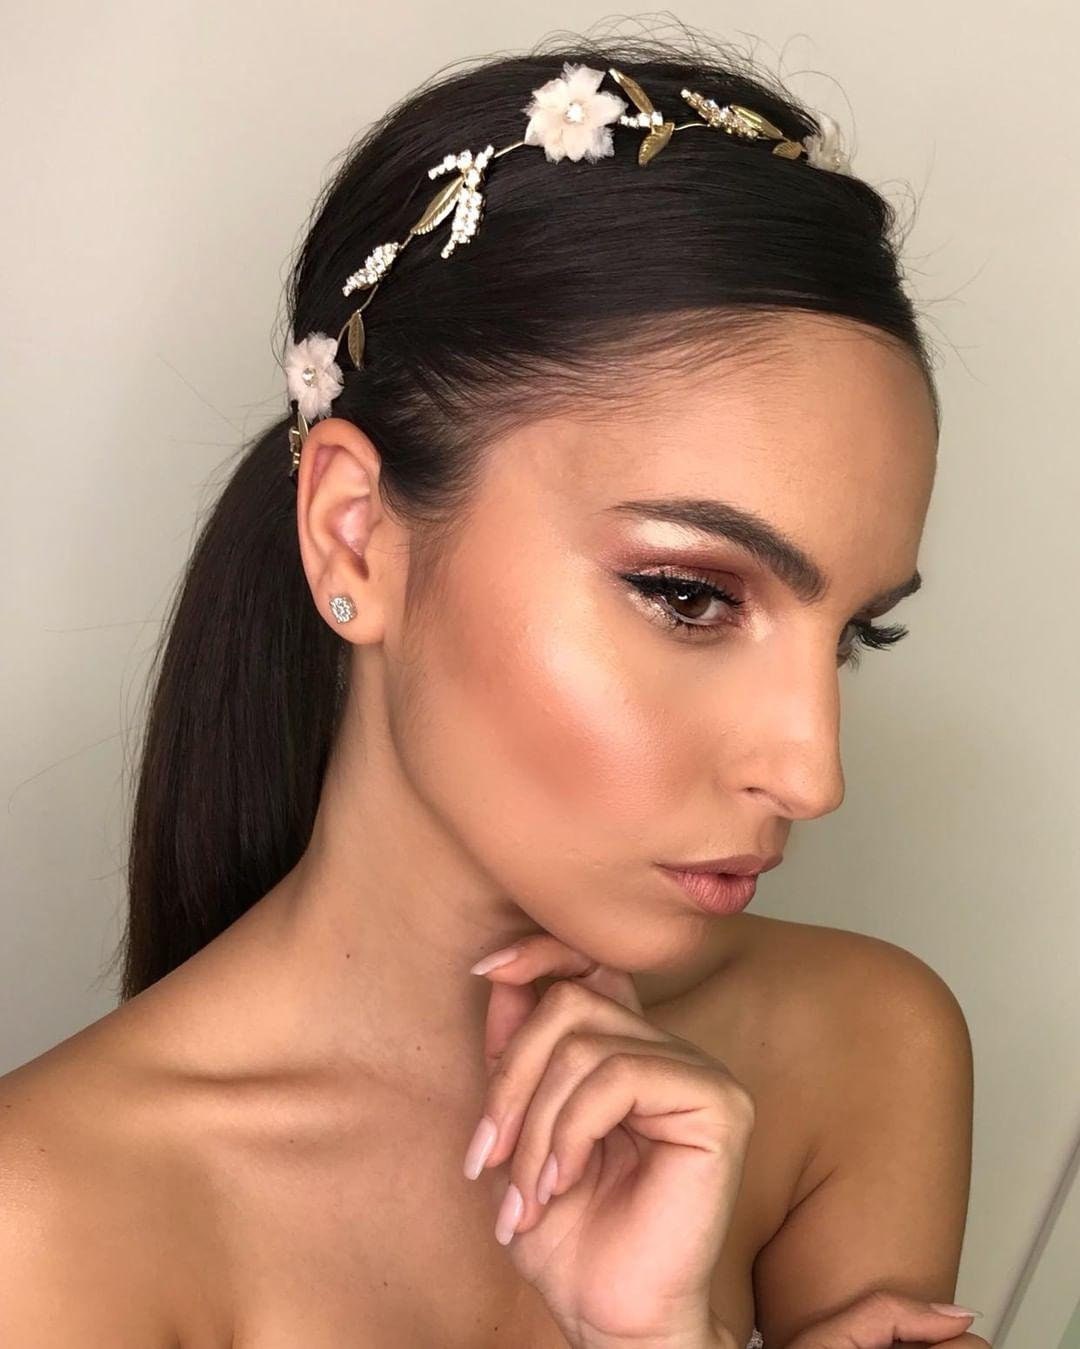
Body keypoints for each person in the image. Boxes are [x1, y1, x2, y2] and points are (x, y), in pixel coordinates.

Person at [0, 26, 985, 1349]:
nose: (813, 773)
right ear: (356, 536)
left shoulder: (859, 1053)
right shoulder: (49, 1225)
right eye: (687, 593)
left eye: (854, 633)